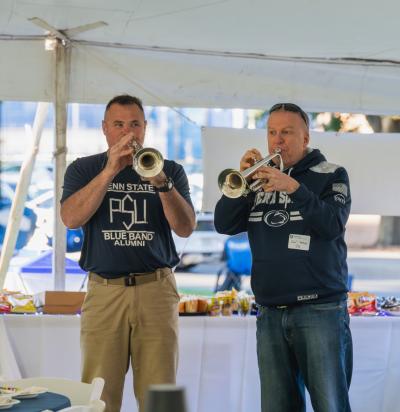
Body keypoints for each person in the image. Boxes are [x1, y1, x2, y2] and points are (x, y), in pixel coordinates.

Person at [60, 94, 196, 412]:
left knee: (161, 395)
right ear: (105, 128)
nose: (127, 132)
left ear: (145, 128)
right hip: (105, 291)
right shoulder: (83, 169)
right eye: (118, 124)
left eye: (134, 124)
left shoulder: (170, 169)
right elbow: (70, 218)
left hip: (156, 289)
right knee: (98, 393)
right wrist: (109, 171)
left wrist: (161, 183)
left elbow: (186, 227)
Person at [214, 103, 353, 412]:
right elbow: (224, 224)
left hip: (319, 308)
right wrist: (242, 183)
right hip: (270, 311)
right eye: (272, 132)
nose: (278, 141)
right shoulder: (257, 179)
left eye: (287, 133)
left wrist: (295, 188)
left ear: (305, 137)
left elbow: (331, 225)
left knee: (329, 404)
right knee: (277, 406)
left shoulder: (331, 175)